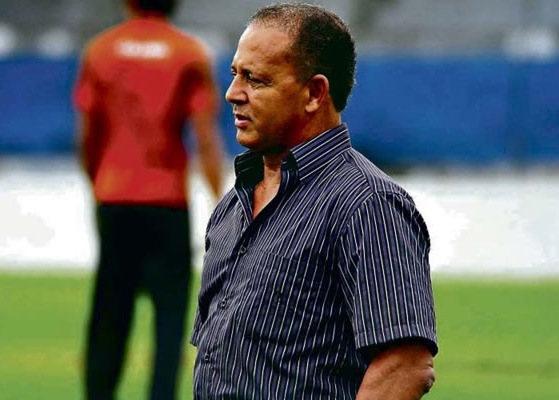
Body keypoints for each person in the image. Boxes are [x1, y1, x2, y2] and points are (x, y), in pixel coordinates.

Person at [191, 3, 437, 399]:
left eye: (255, 79)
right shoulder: (233, 206)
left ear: (314, 93)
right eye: (235, 73)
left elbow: (406, 365)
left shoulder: (367, 204)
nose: (232, 93)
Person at [72, 0, 223, 398]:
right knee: (170, 317)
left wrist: (99, 183)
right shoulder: (188, 53)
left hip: (114, 195)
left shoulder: (101, 50)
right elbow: (205, 136)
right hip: (166, 199)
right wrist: (221, 202)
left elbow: (88, 134)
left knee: (109, 312)